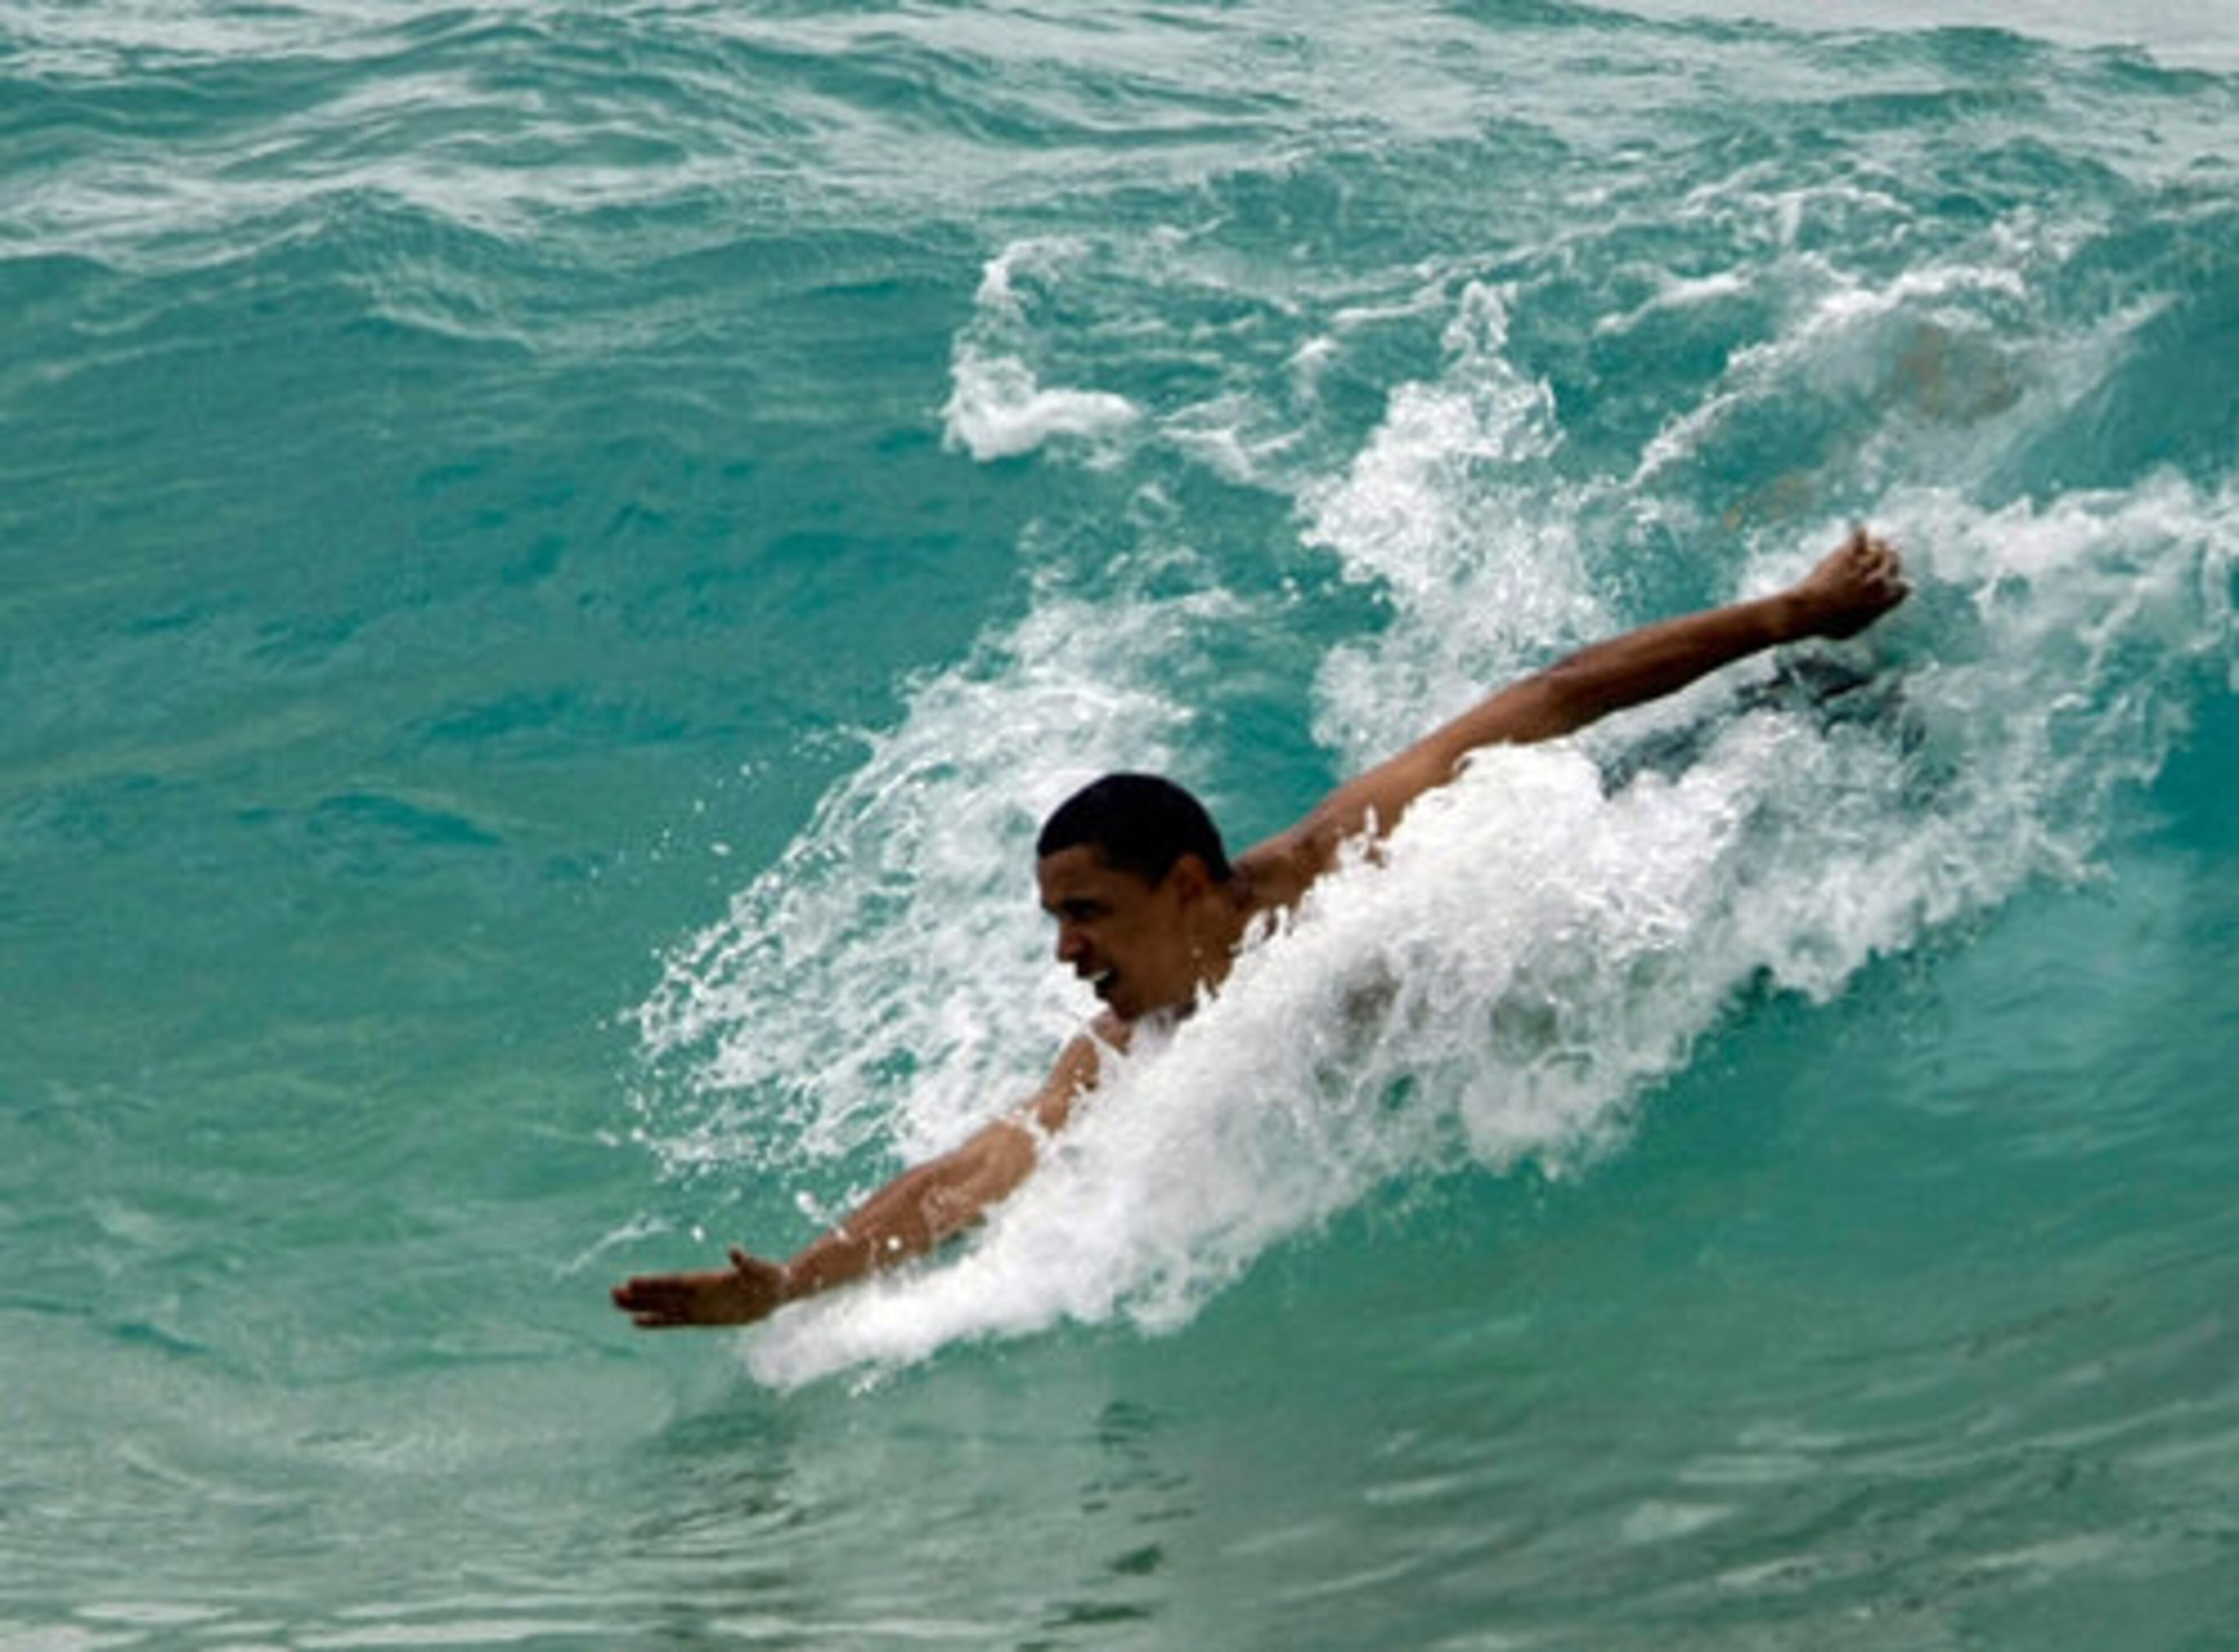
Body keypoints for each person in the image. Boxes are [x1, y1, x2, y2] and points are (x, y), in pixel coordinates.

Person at [612, 528, 1909, 1328]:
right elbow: (967, 1176)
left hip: (1641, 829)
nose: (1067, 949)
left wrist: (1791, 612)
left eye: (1087, 912)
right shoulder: (1136, 1035)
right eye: (1056, 920)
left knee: (1821, 726)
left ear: (1186, 884)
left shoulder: (1336, 858)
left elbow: (1555, 699)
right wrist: (792, 1280)